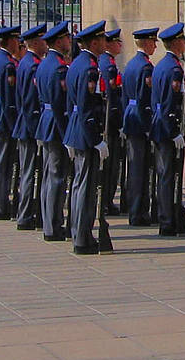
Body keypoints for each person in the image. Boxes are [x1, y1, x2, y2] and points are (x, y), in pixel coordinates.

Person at [63, 21, 109, 254]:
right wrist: (96, 138)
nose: (105, 43)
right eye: (102, 39)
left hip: (77, 131)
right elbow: (87, 106)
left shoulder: (78, 64)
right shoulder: (90, 68)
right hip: (86, 133)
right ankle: (82, 237)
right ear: (94, 42)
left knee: (81, 184)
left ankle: (79, 233)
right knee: (85, 186)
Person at [150, 23, 185, 237]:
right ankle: (167, 220)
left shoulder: (161, 65)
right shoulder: (174, 69)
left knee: (165, 174)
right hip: (166, 129)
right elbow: (169, 103)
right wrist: (174, 131)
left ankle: (168, 216)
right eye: (182, 40)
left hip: (159, 126)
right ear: (175, 43)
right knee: (168, 175)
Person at [35, 21, 72, 240]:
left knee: (50, 175)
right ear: (59, 41)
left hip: (46, 122)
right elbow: (60, 103)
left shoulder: (44, 64)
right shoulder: (59, 67)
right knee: (57, 176)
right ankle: (53, 225)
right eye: (67, 38)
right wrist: (66, 132)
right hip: (56, 124)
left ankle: (48, 220)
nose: (69, 41)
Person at [121, 27, 158, 226]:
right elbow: (145, 100)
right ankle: (138, 212)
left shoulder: (131, 64)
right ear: (146, 43)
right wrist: (147, 125)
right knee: (139, 170)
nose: (155, 46)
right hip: (139, 121)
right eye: (153, 42)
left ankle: (137, 209)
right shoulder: (145, 68)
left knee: (136, 168)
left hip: (130, 117)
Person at [11, 24, 47, 230]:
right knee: (30, 172)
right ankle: (25, 215)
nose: (45, 43)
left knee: (28, 171)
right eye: (42, 40)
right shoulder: (32, 65)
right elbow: (32, 101)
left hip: (25, 123)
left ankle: (26, 213)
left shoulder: (26, 62)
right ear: (34, 42)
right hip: (30, 125)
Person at [0, 25, 21, 220]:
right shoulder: (7, 64)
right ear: (11, 41)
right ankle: (0, 204)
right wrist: (12, 121)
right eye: (16, 40)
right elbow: (9, 98)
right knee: (1, 163)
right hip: (3, 117)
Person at [97, 28, 124, 215]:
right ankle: (106, 199)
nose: (120, 45)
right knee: (111, 165)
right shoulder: (109, 66)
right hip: (110, 123)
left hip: (109, 121)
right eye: (117, 42)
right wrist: (118, 122)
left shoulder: (107, 63)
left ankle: (106, 199)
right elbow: (111, 98)